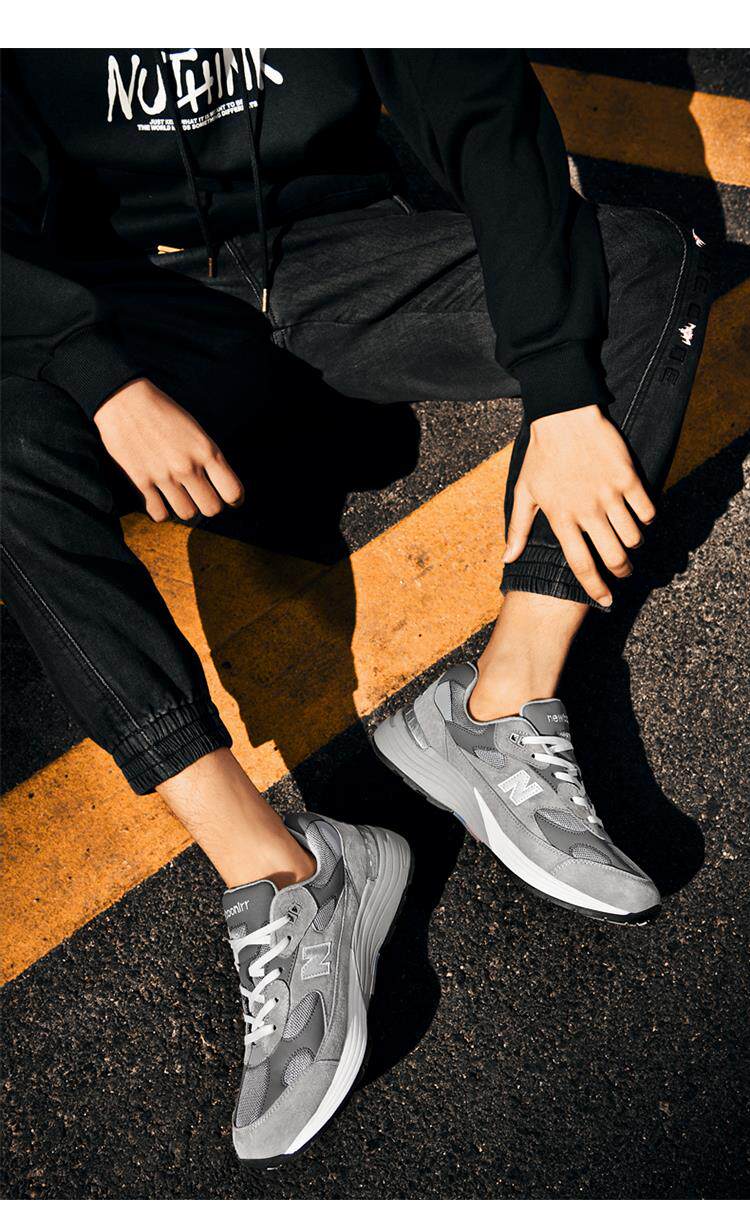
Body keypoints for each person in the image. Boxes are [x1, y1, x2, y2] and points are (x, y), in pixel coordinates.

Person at [1, 49, 710, 1163]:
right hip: (132, 307)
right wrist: (96, 375)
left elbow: (487, 116)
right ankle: (284, 872)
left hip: (335, 260)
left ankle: (494, 709)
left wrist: (566, 394)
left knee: (647, 262)